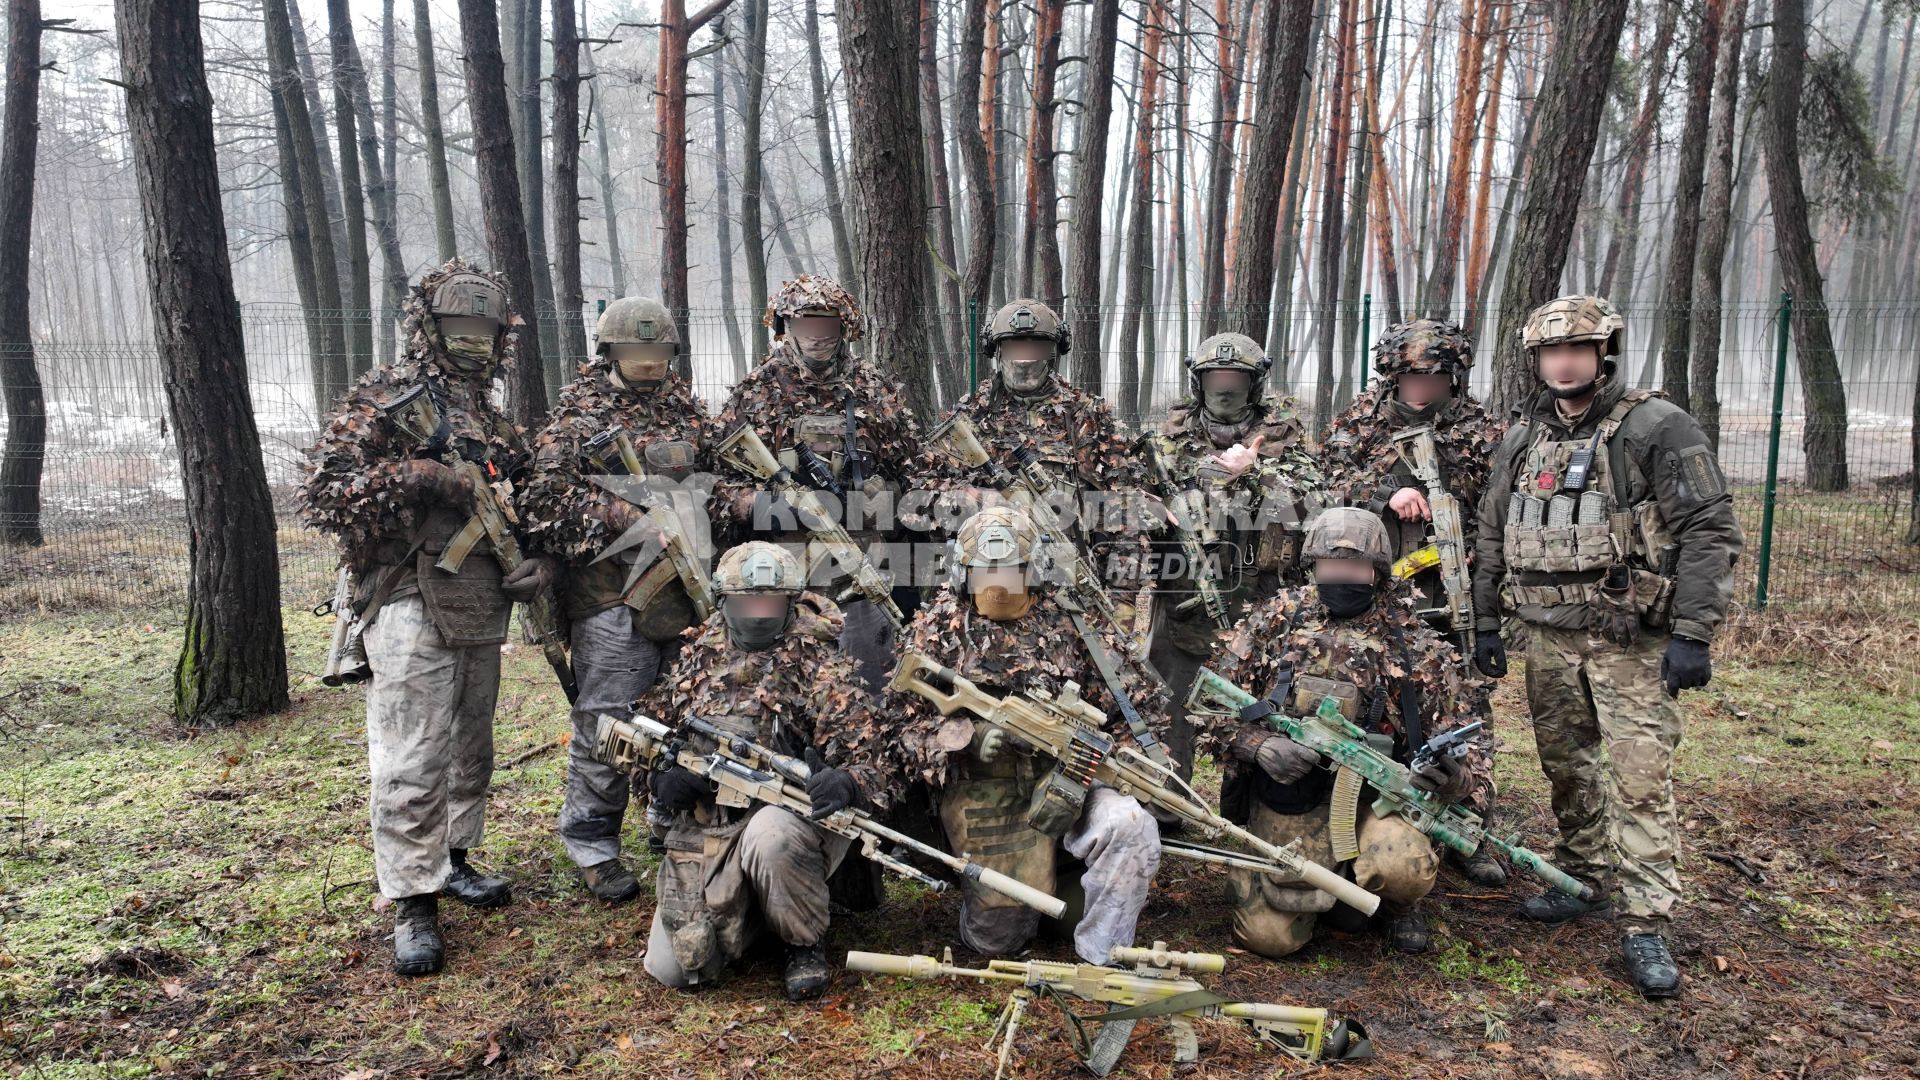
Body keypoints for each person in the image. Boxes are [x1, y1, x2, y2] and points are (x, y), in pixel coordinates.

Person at [1472, 294, 1743, 999]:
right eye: (1552, 352)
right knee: (1566, 767)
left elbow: (1710, 530)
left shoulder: (1657, 427)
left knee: (1639, 781)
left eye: (1579, 350)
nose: (1565, 363)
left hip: (1630, 642)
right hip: (1548, 637)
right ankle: (1582, 877)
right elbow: (1495, 533)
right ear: (1537, 361)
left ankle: (1646, 919)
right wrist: (1484, 623)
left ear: (1603, 353)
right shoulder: (1524, 436)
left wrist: (1691, 633)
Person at [299, 259, 553, 975]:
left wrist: (542, 564)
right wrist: (414, 476)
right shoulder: (385, 399)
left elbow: (527, 510)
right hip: (407, 596)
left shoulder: (497, 425)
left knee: (472, 746)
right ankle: (413, 900)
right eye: (459, 324)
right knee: (411, 755)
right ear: (430, 324)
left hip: (480, 602)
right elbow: (324, 489)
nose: (473, 338)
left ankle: (456, 858)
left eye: (484, 326)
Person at [886, 507, 1167, 964]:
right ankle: (1030, 896)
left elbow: (1139, 711)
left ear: (1033, 568)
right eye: (985, 571)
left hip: (1072, 780)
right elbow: (900, 729)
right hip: (986, 790)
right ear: (962, 573)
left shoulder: (1076, 623)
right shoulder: (936, 629)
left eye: (1011, 570)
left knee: (1132, 823)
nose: (998, 582)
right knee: (997, 940)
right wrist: (970, 738)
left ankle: (1102, 954)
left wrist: (1123, 766)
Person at [1207, 508, 1490, 957]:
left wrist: (1457, 778)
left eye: (1355, 568)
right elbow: (1209, 709)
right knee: (1270, 940)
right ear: (1312, 565)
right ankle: (1326, 890)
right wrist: (1257, 745)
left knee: (1401, 866)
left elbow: (1471, 743)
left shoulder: (1412, 640)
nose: (1342, 576)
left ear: (1378, 572)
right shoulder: (1274, 622)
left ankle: (1396, 906)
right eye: (1331, 566)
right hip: (1290, 792)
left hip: (1376, 802)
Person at [516, 296, 712, 904]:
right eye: (634, 350)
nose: (647, 361)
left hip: (686, 597)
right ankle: (593, 844)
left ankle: (670, 819)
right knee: (609, 725)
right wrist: (629, 514)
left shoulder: (690, 413)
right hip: (612, 598)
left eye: (656, 351)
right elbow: (542, 501)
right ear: (610, 352)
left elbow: (717, 483)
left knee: (686, 716)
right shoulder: (578, 420)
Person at [638, 542, 896, 1000]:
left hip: (789, 820)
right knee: (677, 968)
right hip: (711, 828)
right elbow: (648, 737)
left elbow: (877, 761)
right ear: (723, 601)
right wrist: (660, 780)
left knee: (771, 836)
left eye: (771, 602)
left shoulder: (821, 660)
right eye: (747, 601)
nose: (759, 612)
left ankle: (803, 942)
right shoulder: (699, 655)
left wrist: (846, 780)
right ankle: (755, 913)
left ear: (791, 601)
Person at [1319, 319, 1508, 886]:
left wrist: (1473, 556)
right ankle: (1380, 820)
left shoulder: (1480, 428)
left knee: (1465, 710)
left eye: (1431, 376)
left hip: (1456, 593)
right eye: (1408, 375)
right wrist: (1386, 492)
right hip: (1376, 587)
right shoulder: (1362, 419)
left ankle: (1470, 828)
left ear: (1453, 375)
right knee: (1381, 704)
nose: (1419, 387)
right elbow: (1323, 482)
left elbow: (1502, 503)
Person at [709, 275, 922, 690]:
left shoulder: (873, 390)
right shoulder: (756, 393)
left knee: (871, 695)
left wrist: (884, 500)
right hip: (783, 588)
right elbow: (715, 487)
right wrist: (764, 506)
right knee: (788, 695)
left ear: (844, 329)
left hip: (862, 577)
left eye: (827, 325)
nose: (817, 335)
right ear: (785, 328)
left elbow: (914, 471)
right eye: (806, 323)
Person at [1144, 332, 1322, 771]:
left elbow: (1314, 507)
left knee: (1264, 703)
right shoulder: (1165, 443)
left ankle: (1256, 801)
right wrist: (1149, 506)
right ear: (1198, 382)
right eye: (1215, 376)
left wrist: (1256, 473)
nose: (1225, 387)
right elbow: (1126, 497)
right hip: (1185, 595)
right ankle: (1171, 798)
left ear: (1254, 383)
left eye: (1236, 377)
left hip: (1267, 595)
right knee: (1169, 705)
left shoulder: (1289, 440)